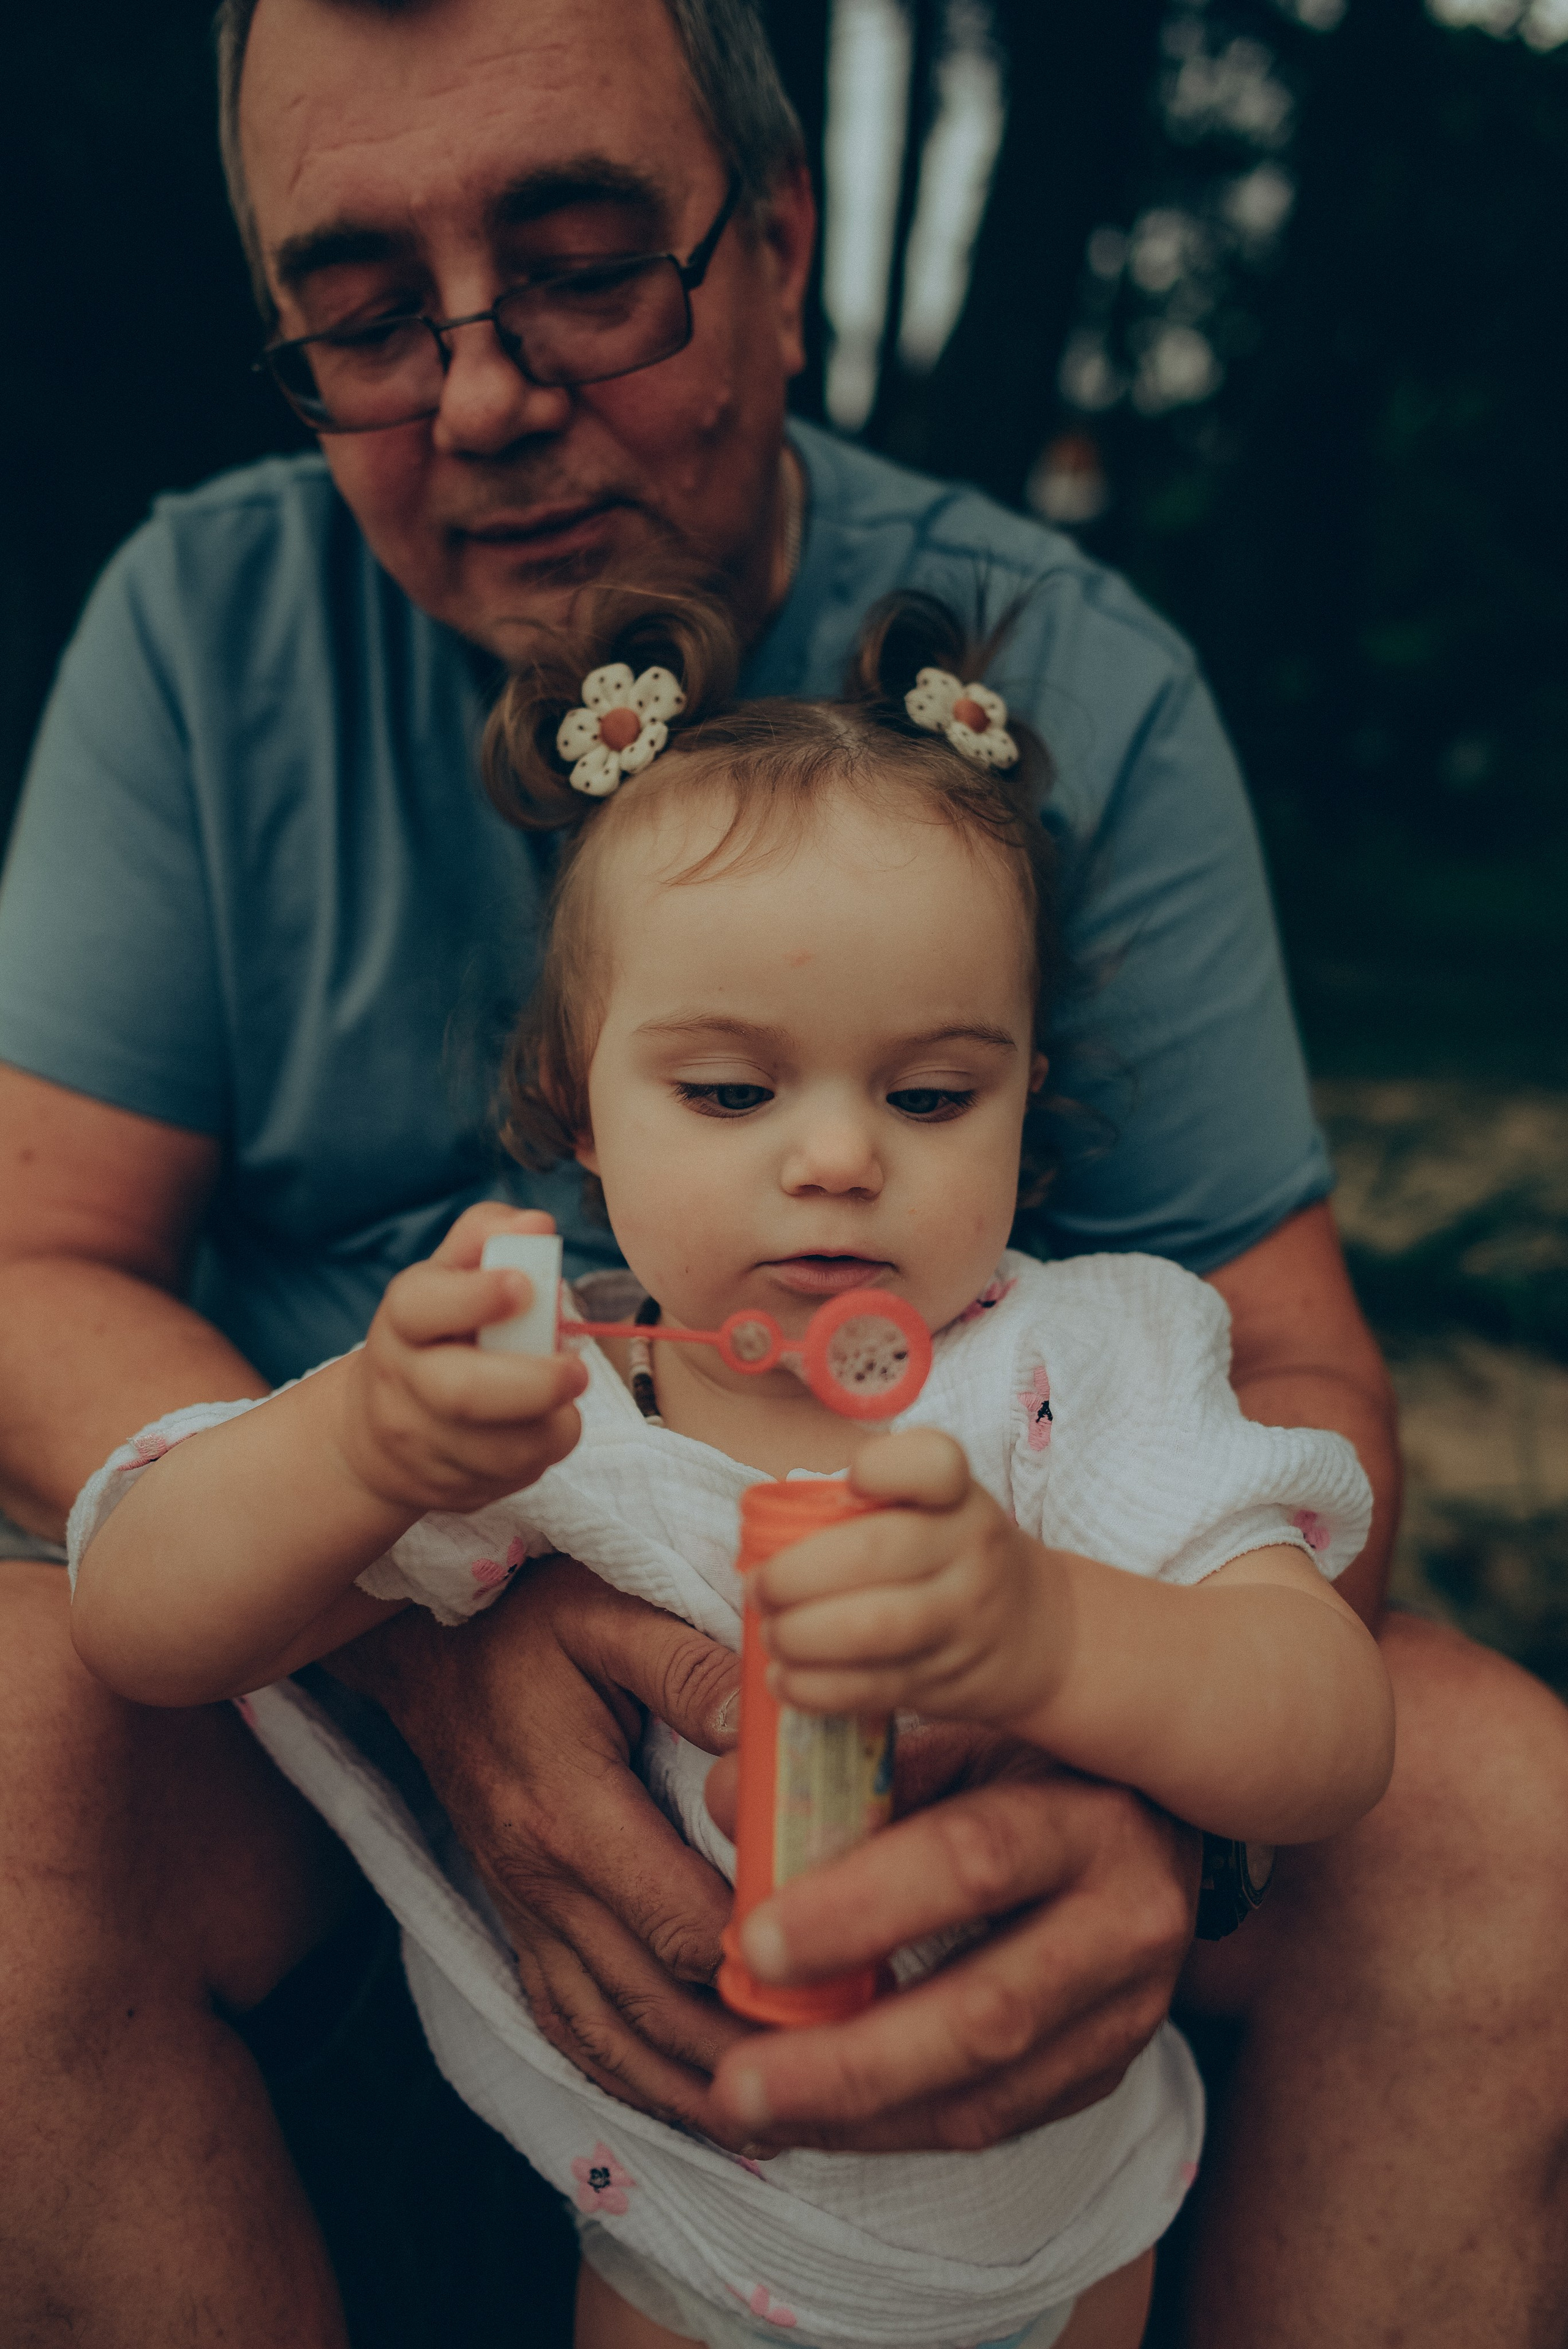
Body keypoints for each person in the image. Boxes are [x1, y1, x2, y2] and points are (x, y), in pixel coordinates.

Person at [0, 0, 1564, 2342]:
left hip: (987, 1716)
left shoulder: (1076, 697)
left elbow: (1301, 1378)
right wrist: (390, 1538)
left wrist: (1121, 1723)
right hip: (354, 1653)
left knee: (1507, 1815)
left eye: (587, 265)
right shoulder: (202, 630)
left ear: (784, 244)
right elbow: (37, 1270)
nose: (485, 395)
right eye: (358, 321)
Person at [66, 591, 1393, 2349]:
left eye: (929, 1098)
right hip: (684, 2246)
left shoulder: (1083, 1364)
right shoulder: (541, 1396)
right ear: (580, 1102)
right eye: (727, 1091)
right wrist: (356, 1447)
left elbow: (1327, 1724)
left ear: (1024, 1099)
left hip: (1057, 2236)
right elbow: (143, 1613)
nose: (837, 1158)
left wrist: (1061, 1636)